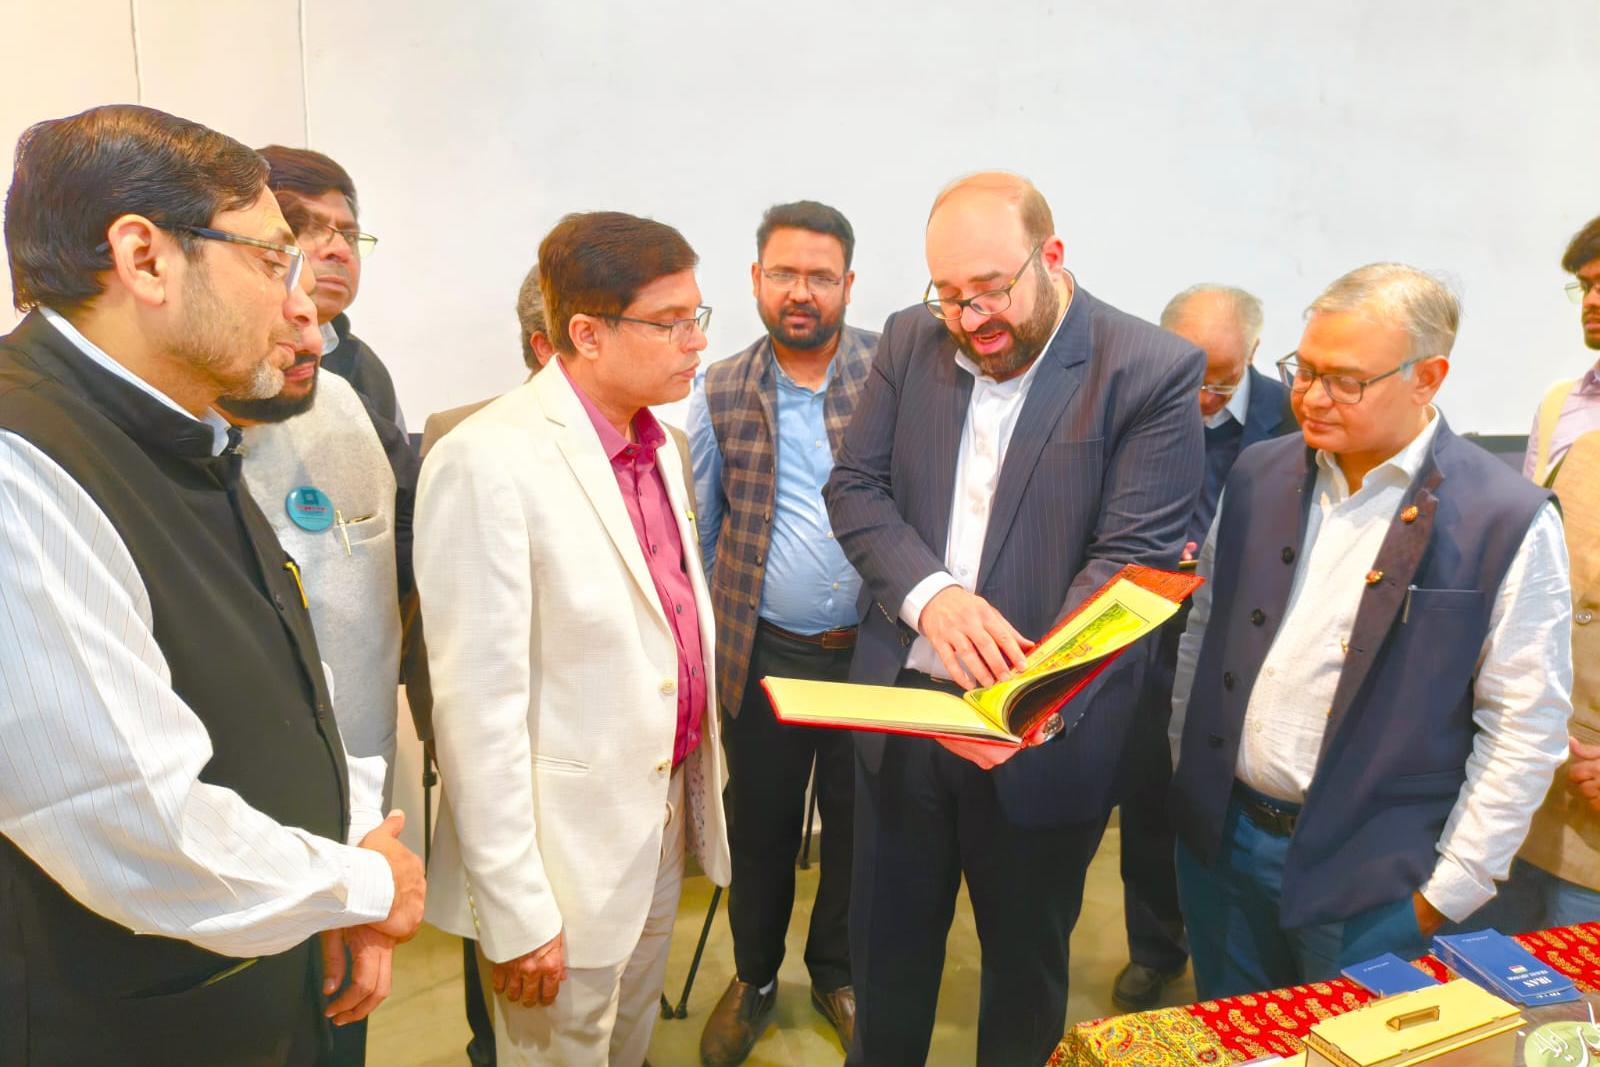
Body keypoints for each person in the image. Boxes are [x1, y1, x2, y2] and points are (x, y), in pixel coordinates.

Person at [0, 104, 424, 1066]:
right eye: (272, 258)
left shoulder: (189, 430)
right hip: (135, 1018)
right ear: (145, 259)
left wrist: (341, 861)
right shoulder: (23, 461)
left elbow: (287, 683)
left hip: (262, 961)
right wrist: (362, 884)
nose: (302, 304)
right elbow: (132, 821)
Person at [824, 171, 1204, 1067]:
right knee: (886, 960)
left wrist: (1030, 700)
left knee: (1025, 973)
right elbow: (856, 486)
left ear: (1052, 255)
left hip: (1041, 736)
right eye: (949, 294)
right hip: (906, 714)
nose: (969, 318)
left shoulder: (1146, 367)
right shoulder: (910, 340)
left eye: (990, 290)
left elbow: (1128, 563)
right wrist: (932, 594)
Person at [1168, 263, 1573, 999]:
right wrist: (1187, 774)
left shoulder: (1504, 518)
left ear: (1428, 378)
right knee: (1236, 1034)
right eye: (1303, 370)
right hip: (1225, 845)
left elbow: (1524, 723)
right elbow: (1205, 629)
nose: (1312, 397)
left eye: (1346, 381)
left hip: (1375, 882)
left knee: (1351, 1043)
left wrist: (1448, 891)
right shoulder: (1260, 472)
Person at [416, 210, 731, 1067]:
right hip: (561, 849)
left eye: (698, 316)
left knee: (627, 1037)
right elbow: (476, 712)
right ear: (586, 333)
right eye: (670, 323)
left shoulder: (657, 443)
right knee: (558, 1051)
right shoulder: (489, 459)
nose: (697, 342)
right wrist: (515, 909)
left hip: (657, 817)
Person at [688, 201, 877, 1065]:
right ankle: (755, 975)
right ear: (757, 279)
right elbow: (703, 525)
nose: (802, 292)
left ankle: (838, 971)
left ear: (848, 284)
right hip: (764, 655)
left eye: (820, 276)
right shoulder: (720, 386)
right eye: (785, 274)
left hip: (871, 657)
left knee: (858, 827)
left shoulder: (893, 373)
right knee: (759, 827)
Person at [1111, 284, 1295, 1011]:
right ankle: (1156, 947)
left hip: (1254, 640)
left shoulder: (1293, 412)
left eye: (1221, 380)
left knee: (1240, 798)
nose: (1204, 397)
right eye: (1191, 376)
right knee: (1150, 796)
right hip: (1151, 633)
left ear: (1254, 352)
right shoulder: (1138, 402)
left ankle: (1251, 953)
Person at [1480, 215, 1600, 932]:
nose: (1593, 299)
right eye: (1586, 285)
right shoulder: (1562, 405)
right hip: (1537, 752)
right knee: (1504, 969)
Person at [257, 145, 406, 432]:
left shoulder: (366, 369)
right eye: (312, 228)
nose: (340, 250)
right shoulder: (221, 357)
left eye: (349, 236)